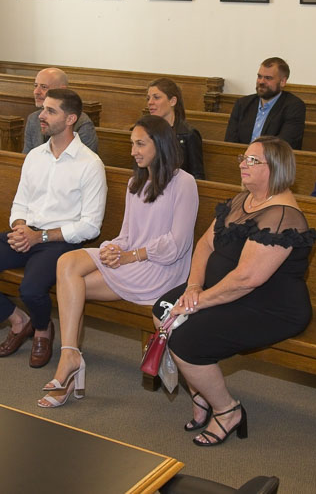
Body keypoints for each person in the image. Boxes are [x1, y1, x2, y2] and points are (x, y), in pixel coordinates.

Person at [153, 136, 316, 446]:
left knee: (187, 341)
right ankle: (202, 392)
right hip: (223, 290)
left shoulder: (283, 218)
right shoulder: (242, 200)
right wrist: (193, 286)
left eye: (253, 161)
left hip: (271, 306)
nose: (243, 163)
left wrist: (195, 303)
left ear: (276, 170)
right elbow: (205, 243)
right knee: (162, 309)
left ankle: (228, 410)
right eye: (243, 157)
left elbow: (246, 279)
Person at [38, 115, 199, 408]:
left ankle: (69, 365)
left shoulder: (183, 183)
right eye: (131, 144)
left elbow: (178, 244)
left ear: (160, 145)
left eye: (140, 144)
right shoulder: (135, 183)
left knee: (74, 286)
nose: (133, 151)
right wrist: (112, 249)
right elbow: (127, 235)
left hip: (161, 270)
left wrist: (130, 255)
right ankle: (70, 354)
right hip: (132, 260)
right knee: (67, 264)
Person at [0, 88, 107, 369]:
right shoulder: (35, 156)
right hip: (26, 233)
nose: (41, 116)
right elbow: (20, 202)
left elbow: (90, 226)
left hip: (61, 241)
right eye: (43, 109)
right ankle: (19, 321)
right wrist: (20, 227)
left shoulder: (90, 165)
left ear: (70, 119)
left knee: (31, 289)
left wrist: (39, 236)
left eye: (50, 111)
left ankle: (43, 330)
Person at [224, 58, 306, 149]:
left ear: (282, 82)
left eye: (268, 78)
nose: (261, 82)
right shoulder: (242, 104)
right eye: (259, 76)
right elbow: (230, 142)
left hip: (271, 161)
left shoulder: (294, 107)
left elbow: (283, 146)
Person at [23, 67, 98, 153]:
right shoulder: (33, 118)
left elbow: (83, 160)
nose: (36, 91)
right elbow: (27, 157)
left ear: (62, 89)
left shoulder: (83, 123)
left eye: (44, 87)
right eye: (35, 86)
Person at [146, 78, 205, 180]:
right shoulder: (146, 132)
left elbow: (197, 176)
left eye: (156, 97)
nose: (150, 102)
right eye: (148, 98)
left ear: (173, 101)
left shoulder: (188, 134)